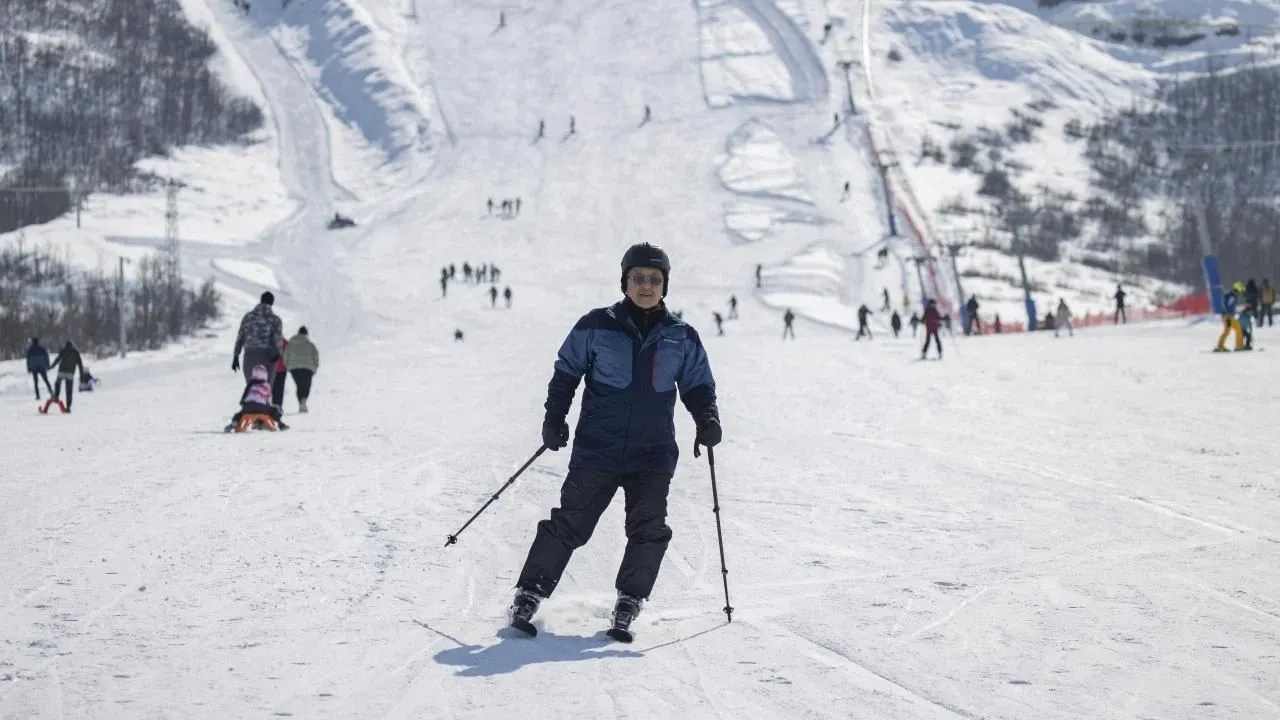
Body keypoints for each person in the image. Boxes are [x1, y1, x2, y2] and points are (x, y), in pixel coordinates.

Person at [508, 242, 720, 638]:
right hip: (597, 449)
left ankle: (630, 599)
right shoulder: (596, 325)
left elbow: (698, 384)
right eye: (638, 278)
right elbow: (567, 371)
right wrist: (555, 415)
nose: (646, 285)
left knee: (649, 528)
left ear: (665, 286)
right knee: (570, 523)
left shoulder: (680, 336)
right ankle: (529, 592)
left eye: (654, 280)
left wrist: (707, 418)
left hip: (652, 453)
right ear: (624, 281)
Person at [233, 291, 284, 383]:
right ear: (272, 303)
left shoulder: (248, 317)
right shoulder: (275, 320)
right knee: (265, 390)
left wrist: (236, 356)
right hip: (268, 357)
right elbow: (278, 340)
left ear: (261, 301)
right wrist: (277, 354)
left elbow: (240, 337)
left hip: (249, 356)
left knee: (251, 389)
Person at [225, 365, 289, 431]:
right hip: (260, 406)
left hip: (248, 407)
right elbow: (269, 401)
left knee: (239, 414)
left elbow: (244, 397)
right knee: (274, 410)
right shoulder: (266, 385)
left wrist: (243, 404)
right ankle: (281, 424)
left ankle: (234, 423)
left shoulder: (250, 385)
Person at [283, 326, 320, 413]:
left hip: (294, 368)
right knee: (306, 386)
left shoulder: (290, 344)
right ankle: (303, 401)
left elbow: (285, 355)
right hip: (308, 367)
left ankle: (301, 402)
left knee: (299, 385)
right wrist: (315, 367)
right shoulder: (310, 344)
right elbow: (315, 356)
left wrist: (287, 366)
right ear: (306, 334)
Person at [49, 341, 85, 411]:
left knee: (57, 383)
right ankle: (68, 406)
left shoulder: (63, 350)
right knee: (69, 390)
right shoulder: (75, 352)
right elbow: (80, 365)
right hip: (70, 373)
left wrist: (51, 366)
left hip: (62, 371)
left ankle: (56, 396)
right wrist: (82, 377)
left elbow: (57, 359)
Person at [272, 339, 289, 409]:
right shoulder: (284, 342)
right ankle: (278, 406)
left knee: (270, 387)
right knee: (279, 388)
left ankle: (271, 405)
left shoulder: (268, 341)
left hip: (271, 369)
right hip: (282, 369)